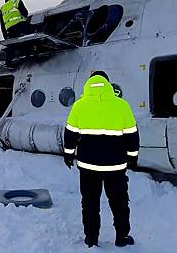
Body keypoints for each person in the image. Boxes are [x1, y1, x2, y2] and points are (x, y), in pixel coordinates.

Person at [63, 71, 139, 248]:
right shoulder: (122, 106)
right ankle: (122, 237)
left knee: (89, 203)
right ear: (108, 84)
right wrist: (133, 157)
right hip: (116, 167)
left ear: (89, 84)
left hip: (88, 166)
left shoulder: (79, 106)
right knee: (119, 202)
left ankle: (91, 238)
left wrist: (68, 154)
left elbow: (70, 134)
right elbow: (132, 135)